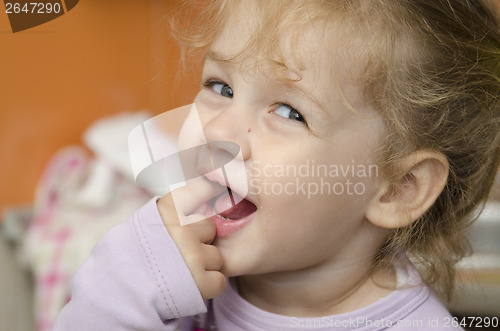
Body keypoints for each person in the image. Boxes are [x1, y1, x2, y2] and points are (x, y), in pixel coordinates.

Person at [54, 0, 500, 330]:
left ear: (398, 188)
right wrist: (126, 280)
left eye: (289, 112)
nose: (216, 132)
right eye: (220, 86)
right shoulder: (166, 284)